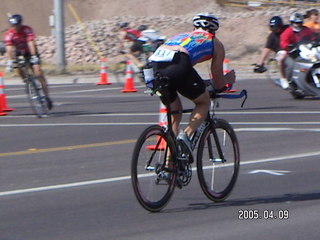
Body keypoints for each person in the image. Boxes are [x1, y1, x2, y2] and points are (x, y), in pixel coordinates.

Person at [148, 13, 235, 154]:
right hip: (179, 64)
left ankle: (170, 167)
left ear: (194, 27)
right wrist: (227, 81)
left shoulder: (179, 36)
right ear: (214, 30)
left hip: (153, 67)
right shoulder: (214, 41)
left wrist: (204, 83)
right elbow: (218, 83)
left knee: (174, 113)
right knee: (203, 102)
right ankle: (186, 136)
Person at [4, 14, 53, 110]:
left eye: (17, 25)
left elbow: (31, 43)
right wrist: (10, 62)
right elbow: (9, 49)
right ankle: (27, 82)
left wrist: (34, 56)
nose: (15, 27)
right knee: (17, 68)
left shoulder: (26, 30)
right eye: (13, 25)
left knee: (38, 73)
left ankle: (47, 96)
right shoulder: (9, 34)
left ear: (20, 24)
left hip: (30, 52)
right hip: (19, 53)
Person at [278, 12, 315, 89]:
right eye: (296, 23)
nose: (298, 24)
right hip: (291, 53)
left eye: (299, 23)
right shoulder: (287, 32)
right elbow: (283, 42)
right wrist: (288, 46)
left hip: (305, 51)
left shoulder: (306, 30)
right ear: (292, 23)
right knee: (291, 64)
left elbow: (312, 38)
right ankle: (288, 81)